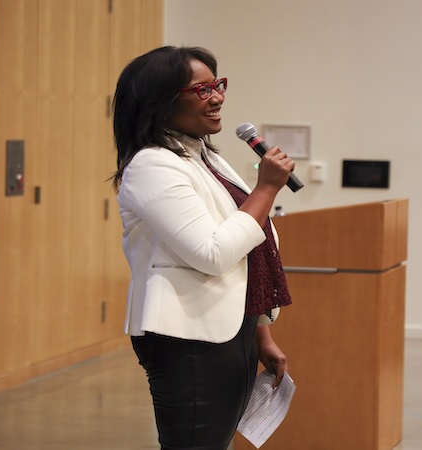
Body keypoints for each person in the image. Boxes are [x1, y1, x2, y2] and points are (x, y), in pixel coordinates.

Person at [111, 46, 294, 450]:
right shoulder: (152, 165)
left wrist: (260, 330)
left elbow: (249, 252)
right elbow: (212, 254)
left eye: (217, 84)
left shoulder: (202, 154)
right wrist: (266, 188)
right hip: (188, 338)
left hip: (233, 329)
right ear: (161, 101)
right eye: (201, 89)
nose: (217, 97)